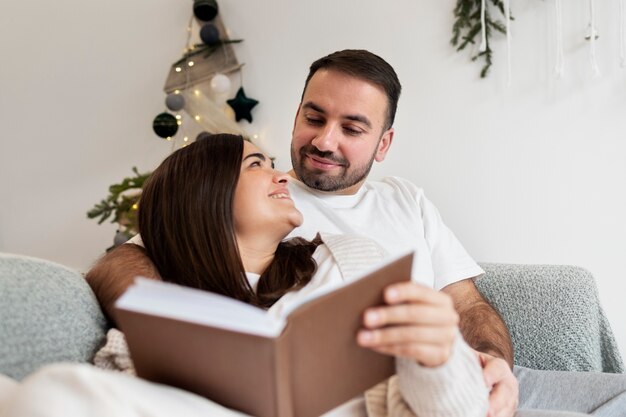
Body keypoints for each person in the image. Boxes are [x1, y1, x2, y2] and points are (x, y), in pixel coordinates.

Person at [86, 50, 626, 417]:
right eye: (314, 117)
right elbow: (127, 263)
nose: (324, 140)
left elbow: (467, 302)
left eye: (352, 128)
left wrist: (496, 366)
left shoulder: (404, 200)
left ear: (383, 144)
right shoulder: (258, 201)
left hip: (473, 376)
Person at [0, 134, 489, 417]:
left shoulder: (353, 261)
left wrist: (440, 357)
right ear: (204, 196)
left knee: (49, 392)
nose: (283, 176)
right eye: (258, 164)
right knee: (44, 393)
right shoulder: (170, 301)